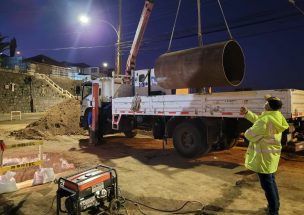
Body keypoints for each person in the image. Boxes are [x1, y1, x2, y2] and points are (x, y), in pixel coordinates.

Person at [240, 96, 289, 215]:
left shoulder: (265, 120)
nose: (264, 103)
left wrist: (246, 133)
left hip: (263, 157)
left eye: (266, 102)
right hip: (271, 156)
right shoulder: (276, 116)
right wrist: (247, 113)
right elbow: (260, 121)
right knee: (271, 181)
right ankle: (275, 205)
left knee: (267, 185)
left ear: (269, 106)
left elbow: (250, 134)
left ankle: (273, 211)